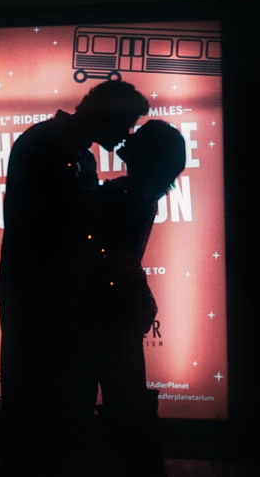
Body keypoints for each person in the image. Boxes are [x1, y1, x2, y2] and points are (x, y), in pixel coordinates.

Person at [0, 79, 148, 475]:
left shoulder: (61, 147)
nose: (126, 133)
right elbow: (54, 225)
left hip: (46, 298)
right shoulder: (49, 146)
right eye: (126, 122)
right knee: (41, 405)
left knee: (48, 406)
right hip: (40, 300)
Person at [81, 120, 186, 476]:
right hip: (120, 304)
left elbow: (99, 249)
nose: (127, 138)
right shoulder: (142, 194)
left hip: (104, 307)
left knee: (117, 401)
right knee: (127, 400)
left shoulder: (125, 194)